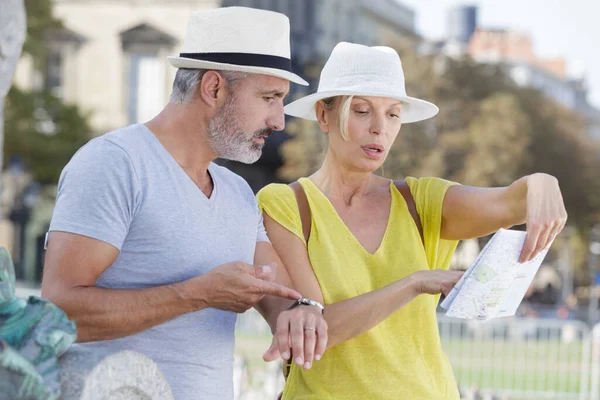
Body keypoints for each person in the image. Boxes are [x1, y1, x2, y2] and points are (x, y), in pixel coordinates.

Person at [41, 7, 328, 400]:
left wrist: (301, 314)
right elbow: (58, 312)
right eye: (269, 98)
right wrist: (198, 294)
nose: (279, 120)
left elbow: (278, 293)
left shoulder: (239, 192)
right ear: (213, 88)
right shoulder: (114, 163)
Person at [257, 42, 567, 399]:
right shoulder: (285, 205)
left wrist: (543, 183)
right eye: (361, 111)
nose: (379, 129)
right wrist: (415, 283)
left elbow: (509, 201)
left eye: (392, 114)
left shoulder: (423, 203)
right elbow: (315, 331)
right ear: (324, 117)